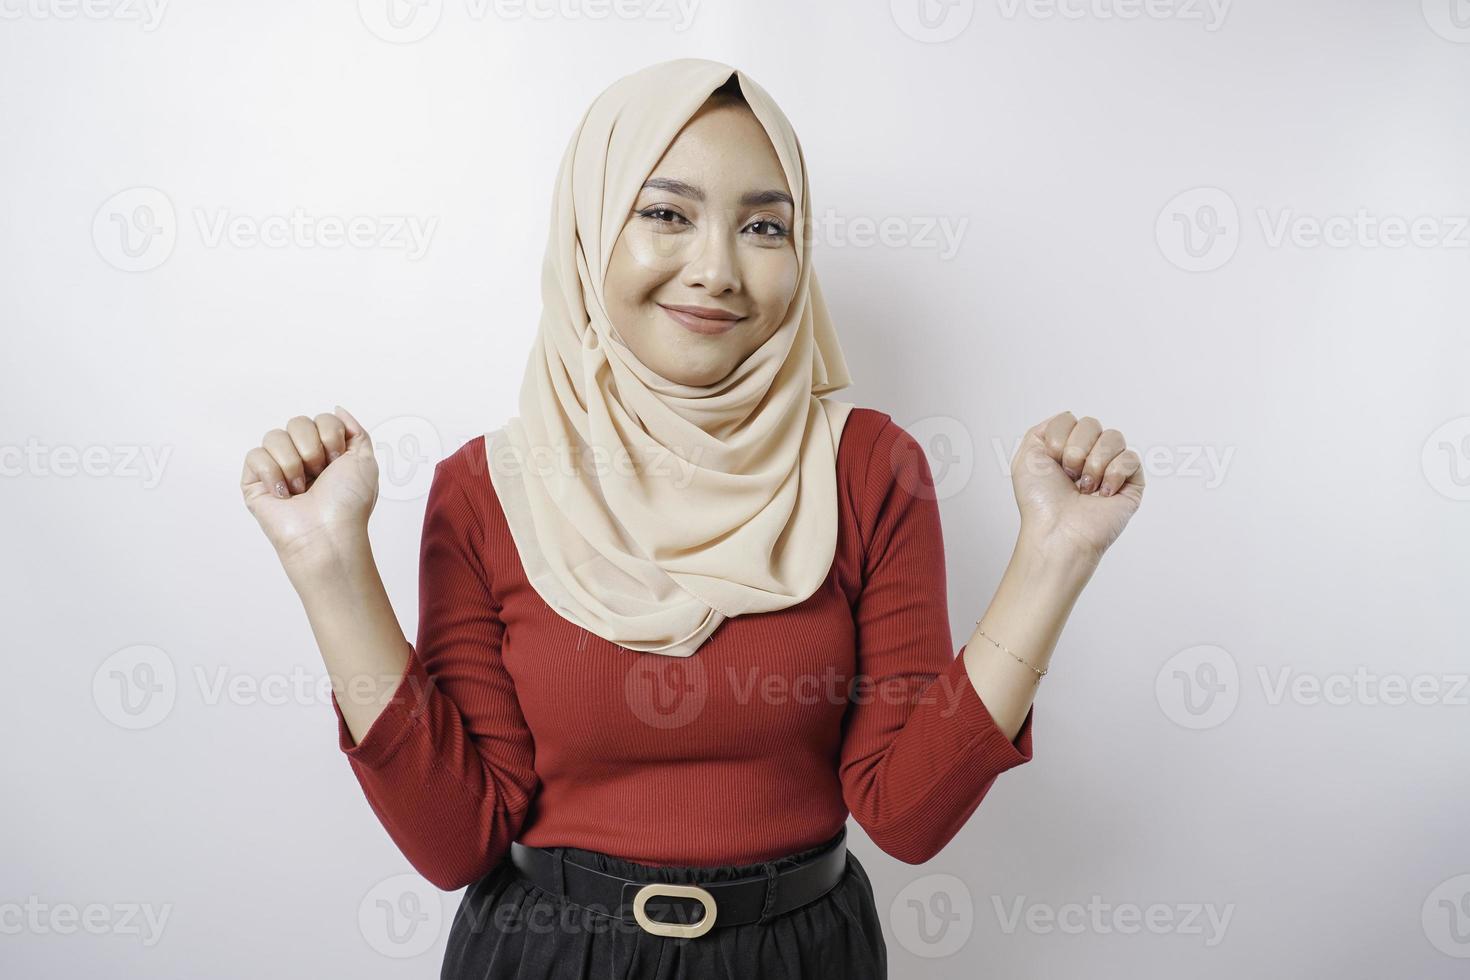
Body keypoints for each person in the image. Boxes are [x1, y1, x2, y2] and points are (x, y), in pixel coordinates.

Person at [238, 58, 1145, 980]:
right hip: (547, 957)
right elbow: (453, 840)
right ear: (590, 232)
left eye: (763, 225)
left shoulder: (871, 469)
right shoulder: (488, 489)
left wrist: (1054, 556)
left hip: (802, 957)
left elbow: (906, 816)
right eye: (665, 213)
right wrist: (327, 564)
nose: (716, 270)